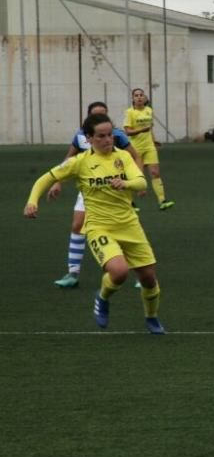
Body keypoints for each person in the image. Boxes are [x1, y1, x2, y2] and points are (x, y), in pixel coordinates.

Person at [24, 112, 166, 334]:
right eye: (101, 136)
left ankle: (151, 317)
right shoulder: (80, 162)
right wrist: (33, 201)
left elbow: (140, 181)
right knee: (119, 272)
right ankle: (102, 297)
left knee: (148, 277)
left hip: (129, 224)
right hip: (99, 227)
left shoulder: (123, 157)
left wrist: (126, 183)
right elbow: (46, 178)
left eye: (110, 135)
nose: (108, 139)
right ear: (88, 138)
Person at [49, 101, 144, 288]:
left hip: (116, 188)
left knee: (127, 227)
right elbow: (68, 160)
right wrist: (58, 182)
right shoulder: (80, 138)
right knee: (77, 225)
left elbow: (136, 156)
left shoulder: (117, 136)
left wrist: (135, 181)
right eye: (96, 114)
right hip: (90, 188)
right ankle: (72, 274)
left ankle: (140, 275)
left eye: (104, 113)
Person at [123, 87, 174, 210]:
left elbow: (149, 129)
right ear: (133, 99)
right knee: (137, 176)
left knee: (155, 173)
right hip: (136, 148)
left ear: (144, 98)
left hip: (149, 147)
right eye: (136, 95)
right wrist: (141, 130)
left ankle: (162, 201)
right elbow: (127, 131)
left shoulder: (149, 110)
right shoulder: (130, 112)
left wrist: (153, 139)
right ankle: (130, 203)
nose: (139, 97)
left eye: (141, 95)